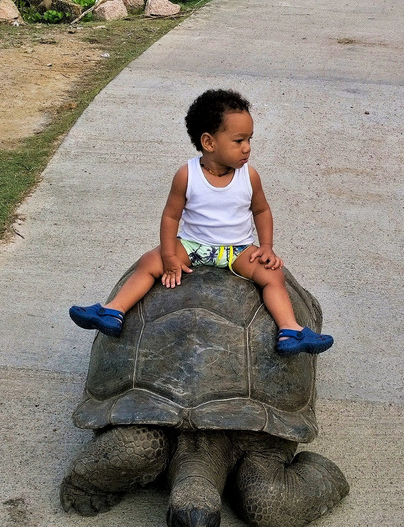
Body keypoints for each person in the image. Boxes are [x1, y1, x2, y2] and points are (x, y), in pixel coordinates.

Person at [70, 89, 333, 356]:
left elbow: (262, 211)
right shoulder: (187, 175)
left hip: (237, 249)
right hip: (193, 245)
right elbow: (171, 216)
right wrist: (170, 256)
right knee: (149, 262)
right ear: (209, 142)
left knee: (272, 275)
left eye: (250, 139)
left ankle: (290, 330)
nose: (247, 148)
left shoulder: (249, 176)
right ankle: (114, 311)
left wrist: (266, 246)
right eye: (239, 140)